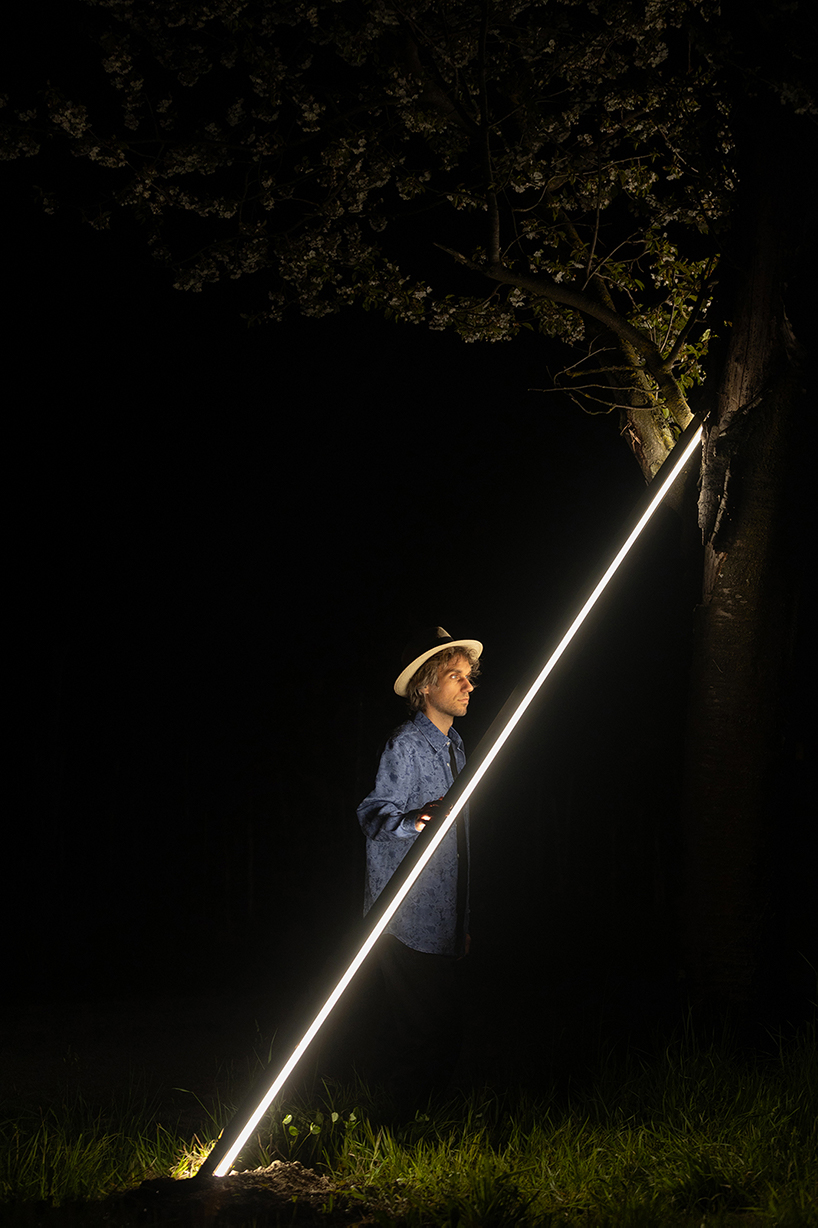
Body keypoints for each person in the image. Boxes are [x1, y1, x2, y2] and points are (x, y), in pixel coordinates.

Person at [356, 626, 482, 1112]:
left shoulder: (458, 749)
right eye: (455, 677)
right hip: (404, 918)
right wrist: (410, 821)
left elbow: (460, 843)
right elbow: (371, 814)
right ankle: (393, 1128)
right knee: (418, 1031)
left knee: (446, 1027)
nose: (468, 686)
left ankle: (426, 1124)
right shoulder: (405, 745)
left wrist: (463, 920)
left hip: (444, 921)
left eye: (469, 677)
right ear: (426, 686)